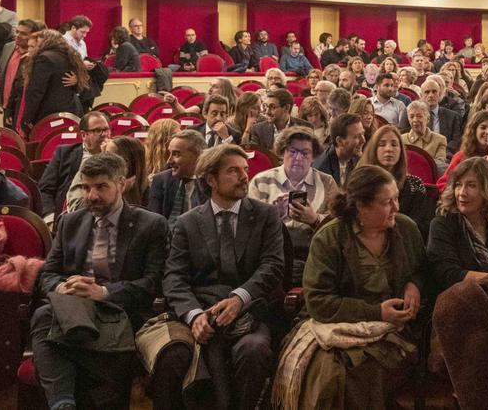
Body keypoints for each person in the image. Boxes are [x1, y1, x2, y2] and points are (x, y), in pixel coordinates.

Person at [148, 143, 284, 410]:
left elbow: (272, 266)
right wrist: (194, 315)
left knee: (253, 350)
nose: (244, 176)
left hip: (250, 313)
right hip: (202, 313)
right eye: (233, 171)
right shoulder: (188, 222)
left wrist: (239, 299)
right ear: (211, 179)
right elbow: (174, 276)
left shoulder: (265, 215)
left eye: (245, 170)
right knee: (176, 353)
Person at [29, 153, 167, 410]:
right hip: (74, 307)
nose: (92, 195)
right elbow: (47, 274)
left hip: (121, 311)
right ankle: (64, 404)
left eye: (101, 187)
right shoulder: (70, 222)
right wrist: (65, 287)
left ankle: (65, 401)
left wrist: (102, 292)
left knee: (49, 331)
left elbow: (153, 283)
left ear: (122, 184)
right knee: (44, 316)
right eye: (86, 187)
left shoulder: (151, 225)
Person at [286, 164, 423, 408]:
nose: (396, 208)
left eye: (396, 199)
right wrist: (376, 311)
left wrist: (415, 284)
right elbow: (318, 302)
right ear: (360, 206)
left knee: (375, 367)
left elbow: (425, 268)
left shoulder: (406, 229)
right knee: (332, 376)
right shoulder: (330, 238)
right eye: (387, 203)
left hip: (394, 329)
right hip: (337, 325)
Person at [249, 127, 336, 283]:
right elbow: (248, 225)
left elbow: (338, 225)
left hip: (313, 252)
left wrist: (315, 219)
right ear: (282, 152)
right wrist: (273, 216)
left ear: (313, 157)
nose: (298, 158)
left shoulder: (326, 181)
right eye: (293, 151)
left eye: (305, 153)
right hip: (272, 251)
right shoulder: (261, 180)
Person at [358, 124, 435, 240]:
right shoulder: (360, 183)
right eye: (382, 144)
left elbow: (422, 227)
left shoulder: (414, 185)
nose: (389, 149)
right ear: (374, 149)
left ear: (401, 151)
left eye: (394, 144)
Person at [38, 110, 111, 216]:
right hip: (69, 214)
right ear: (83, 135)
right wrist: (49, 218)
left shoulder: (116, 153)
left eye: (106, 129)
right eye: (97, 130)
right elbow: (45, 190)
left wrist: (108, 155)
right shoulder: (64, 153)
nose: (104, 135)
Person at [20, 30, 89, 136]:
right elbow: (81, 83)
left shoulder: (44, 58)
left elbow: (36, 92)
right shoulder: (70, 55)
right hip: (72, 109)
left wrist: (26, 120)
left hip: (50, 113)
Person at [145, 130, 208, 227]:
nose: (169, 161)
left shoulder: (211, 181)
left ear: (198, 155)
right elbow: (153, 222)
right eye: (169, 153)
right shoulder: (160, 180)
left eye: (176, 154)